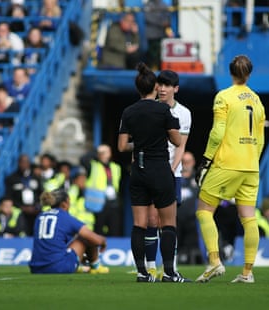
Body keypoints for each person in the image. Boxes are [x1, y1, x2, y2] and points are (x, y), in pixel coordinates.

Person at [194, 55, 265, 283]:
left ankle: (215, 261)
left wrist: (206, 159)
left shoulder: (224, 96)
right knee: (249, 218)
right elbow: (261, 139)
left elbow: (217, 132)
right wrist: (252, 160)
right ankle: (247, 272)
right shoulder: (257, 101)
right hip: (251, 165)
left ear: (230, 72)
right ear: (249, 74)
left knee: (204, 210)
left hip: (227, 162)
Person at [118, 62, 187, 283]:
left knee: (139, 224)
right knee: (167, 223)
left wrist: (139, 143)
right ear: (155, 88)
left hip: (138, 169)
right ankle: (168, 272)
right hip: (160, 169)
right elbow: (176, 140)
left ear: (138, 88)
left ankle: (142, 273)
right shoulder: (164, 110)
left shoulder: (128, 112)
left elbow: (121, 146)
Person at [145, 70, 192, 278]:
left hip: (172, 173)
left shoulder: (184, 113)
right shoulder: (149, 108)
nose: (162, 89)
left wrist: (171, 170)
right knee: (151, 220)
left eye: (167, 85)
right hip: (151, 170)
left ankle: (169, 269)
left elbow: (181, 146)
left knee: (168, 222)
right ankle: (149, 268)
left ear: (176, 89)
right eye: (160, 84)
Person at [29, 188, 109, 274]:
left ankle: (79, 266)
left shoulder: (40, 216)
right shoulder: (66, 217)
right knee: (85, 237)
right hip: (58, 268)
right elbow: (95, 240)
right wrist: (103, 241)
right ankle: (96, 267)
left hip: (36, 268)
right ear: (64, 203)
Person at [81, 144, 122, 236]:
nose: (103, 154)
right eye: (101, 153)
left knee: (114, 230)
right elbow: (83, 159)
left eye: (105, 152)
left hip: (113, 203)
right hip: (98, 204)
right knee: (98, 230)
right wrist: (96, 150)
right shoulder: (93, 166)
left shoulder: (116, 167)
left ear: (110, 154)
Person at [144, 0, 173, 70]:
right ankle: (151, 72)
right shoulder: (148, 4)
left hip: (162, 35)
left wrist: (166, 23)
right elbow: (148, 17)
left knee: (161, 56)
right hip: (152, 36)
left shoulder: (163, 4)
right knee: (152, 56)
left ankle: (161, 71)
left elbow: (167, 17)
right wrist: (161, 23)